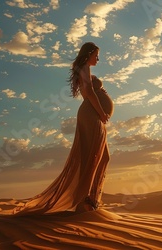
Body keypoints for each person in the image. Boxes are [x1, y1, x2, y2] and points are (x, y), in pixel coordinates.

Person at [12, 42, 113, 215]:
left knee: (100, 157)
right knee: (94, 157)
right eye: (96, 54)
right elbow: (89, 92)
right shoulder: (85, 67)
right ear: (88, 54)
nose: (98, 58)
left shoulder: (83, 68)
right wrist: (102, 113)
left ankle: (90, 200)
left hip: (92, 115)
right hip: (91, 115)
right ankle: (85, 203)